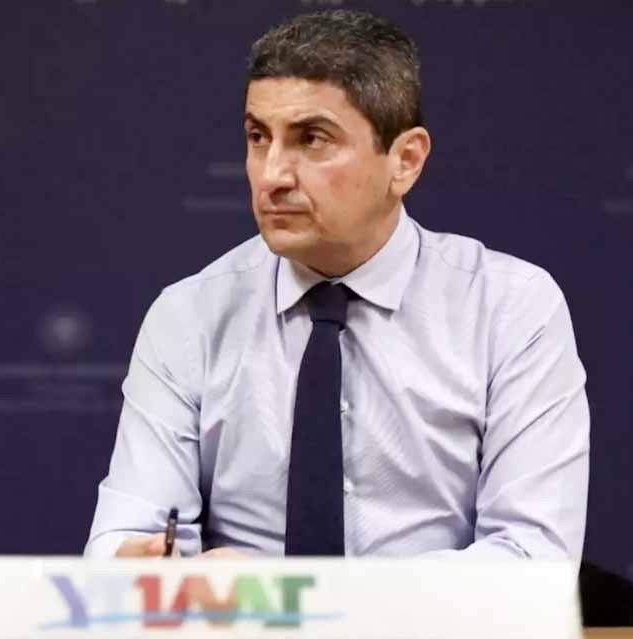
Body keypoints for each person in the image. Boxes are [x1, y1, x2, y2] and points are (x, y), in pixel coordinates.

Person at [84, 9, 589, 562]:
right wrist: (141, 569)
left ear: (405, 161)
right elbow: (125, 534)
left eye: (312, 139)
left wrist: (292, 597)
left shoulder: (510, 309)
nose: (272, 175)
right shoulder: (189, 315)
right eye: (258, 137)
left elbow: (533, 558)